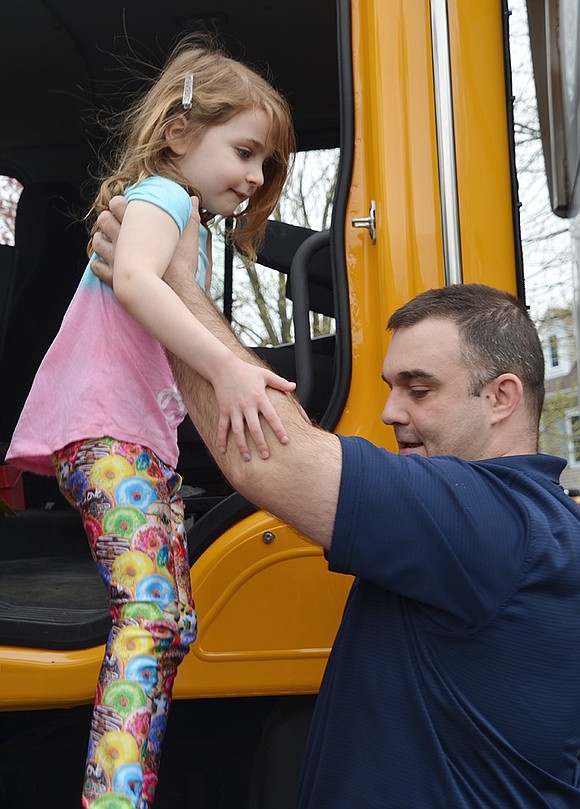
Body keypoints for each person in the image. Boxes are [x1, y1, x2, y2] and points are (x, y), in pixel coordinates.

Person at [92, 205, 580, 807]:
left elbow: (266, 460)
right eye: (390, 387)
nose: (390, 412)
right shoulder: (530, 524)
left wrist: (169, 286)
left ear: (501, 397)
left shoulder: (493, 520)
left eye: (419, 389)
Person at [6, 39, 297, 809]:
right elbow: (134, 280)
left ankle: (127, 785)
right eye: (244, 150)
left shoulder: (179, 217)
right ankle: (113, 798)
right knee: (154, 611)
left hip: (123, 441)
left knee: (169, 620)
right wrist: (231, 367)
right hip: (106, 437)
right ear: (178, 134)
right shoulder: (162, 197)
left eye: (266, 164)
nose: (256, 176)